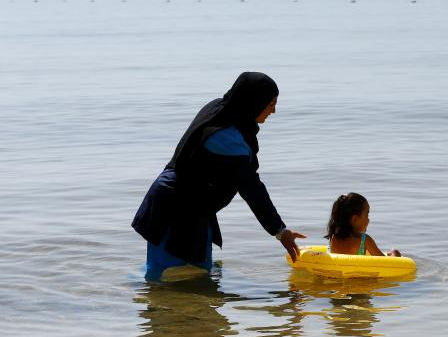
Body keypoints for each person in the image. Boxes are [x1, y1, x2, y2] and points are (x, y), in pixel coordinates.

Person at [132, 72, 306, 280]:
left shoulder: (220, 109)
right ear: (254, 102)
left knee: (194, 275)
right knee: (166, 276)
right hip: (176, 208)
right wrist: (279, 231)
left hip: (190, 204)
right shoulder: (228, 137)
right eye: (271, 104)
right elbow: (251, 188)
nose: (273, 111)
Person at [326, 193, 401, 257]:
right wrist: (394, 254)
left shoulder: (333, 238)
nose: (368, 219)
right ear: (355, 219)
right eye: (367, 215)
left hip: (338, 273)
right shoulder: (364, 240)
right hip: (360, 274)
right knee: (395, 252)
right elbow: (384, 262)